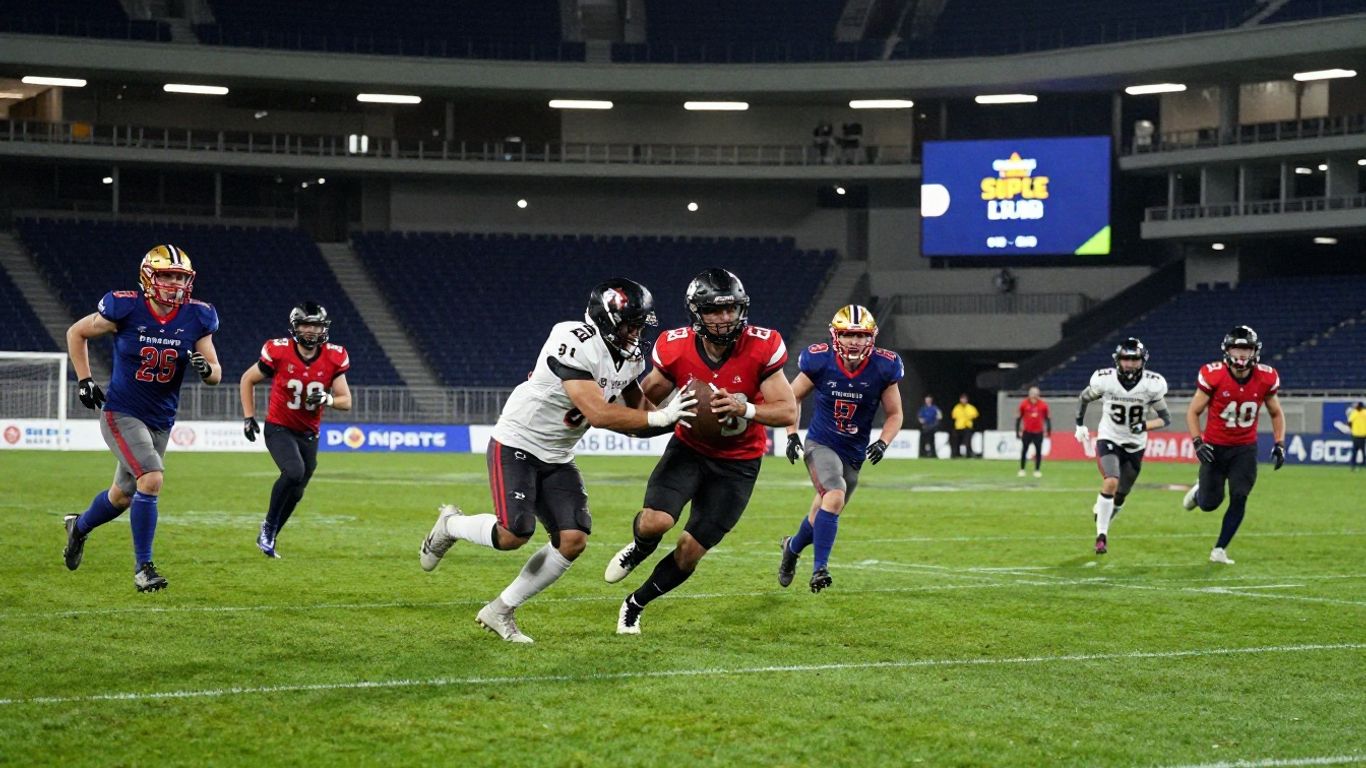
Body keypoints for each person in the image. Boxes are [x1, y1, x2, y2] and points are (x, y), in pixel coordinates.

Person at [417, 278, 694, 643]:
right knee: (514, 533)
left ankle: (500, 610)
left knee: (573, 538)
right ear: (607, 319)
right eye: (630, 323)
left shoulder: (629, 357)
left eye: (640, 324)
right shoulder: (572, 339)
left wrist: (685, 416)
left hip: (557, 454)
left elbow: (639, 414)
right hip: (517, 442)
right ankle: (450, 525)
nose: (636, 332)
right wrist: (662, 417)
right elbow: (597, 412)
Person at [603, 267, 796, 635]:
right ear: (696, 312)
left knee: (690, 552)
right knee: (654, 522)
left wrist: (746, 408)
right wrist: (632, 401)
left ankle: (635, 603)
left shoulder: (762, 345)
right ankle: (640, 548)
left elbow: (787, 410)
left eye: (731, 309)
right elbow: (645, 403)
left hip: (738, 464)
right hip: (689, 449)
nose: (725, 319)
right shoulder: (674, 347)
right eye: (714, 310)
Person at [62, 244, 222, 592]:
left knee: (122, 495)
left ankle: (79, 527)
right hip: (122, 411)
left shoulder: (199, 316)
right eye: (167, 275)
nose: (174, 284)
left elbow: (216, 375)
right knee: (151, 479)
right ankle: (143, 568)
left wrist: (205, 368)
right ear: (149, 276)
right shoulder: (125, 306)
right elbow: (77, 332)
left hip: (161, 418)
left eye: (180, 277)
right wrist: (85, 379)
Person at [780, 304, 903, 592]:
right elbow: (790, 398)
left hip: (853, 452)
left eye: (860, 336)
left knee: (819, 516)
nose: (854, 341)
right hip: (821, 442)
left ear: (871, 337)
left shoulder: (884, 367)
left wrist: (883, 442)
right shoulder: (820, 360)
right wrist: (791, 434)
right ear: (836, 335)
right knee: (834, 496)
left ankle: (791, 549)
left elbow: (895, 413)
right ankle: (820, 569)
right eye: (848, 334)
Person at [239, 301, 352, 558]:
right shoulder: (278, 351)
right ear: (295, 326)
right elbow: (248, 379)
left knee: (298, 490)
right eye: (305, 324)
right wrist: (248, 417)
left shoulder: (334, 357)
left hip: (309, 433)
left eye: (316, 325)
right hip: (279, 427)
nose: (311, 330)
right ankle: (268, 526)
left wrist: (328, 399)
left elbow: (346, 400)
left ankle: (270, 536)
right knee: (293, 471)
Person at [1181, 326, 1286, 565]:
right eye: (1237, 348)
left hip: (1244, 448)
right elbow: (1193, 411)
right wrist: (1198, 442)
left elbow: (1276, 413)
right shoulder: (1213, 374)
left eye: (1246, 348)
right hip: (1215, 447)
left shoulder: (1266, 377)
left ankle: (1219, 549)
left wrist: (1279, 443)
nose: (1241, 354)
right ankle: (1199, 493)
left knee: (1240, 496)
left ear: (1255, 351)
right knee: (1210, 504)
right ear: (1227, 350)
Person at [1073, 338, 1170, 555]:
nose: (1130, 364)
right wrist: (1079, 425)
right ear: (1118, 360)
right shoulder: (1105, 380)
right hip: (1109, 438)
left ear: (1142, 361)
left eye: (1134, 359)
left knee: (1121, 494)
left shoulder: (1152, 384)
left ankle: (1105, 513)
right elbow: (1084, 398)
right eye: (1126, 359)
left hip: (1135, 446)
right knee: (1111, 481)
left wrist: (1145, 425)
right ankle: (1101, 536)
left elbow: (1165, 418)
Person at [1016, 386, 1051, 477]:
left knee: (1038, 451)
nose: (1034, 396)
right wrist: (1017, 431)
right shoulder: (1024, 404)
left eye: (1036, 394)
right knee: (1024, 450)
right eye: (1032, 393)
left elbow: (1047, 419)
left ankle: (1037, 470)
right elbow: (1019, 418)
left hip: (1038, 432)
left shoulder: (1043, 405)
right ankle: (1022, 469)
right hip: (1027, 431)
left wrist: (1048, 430)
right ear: (1029, 394)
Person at [951, 393, 979, 458]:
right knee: (956, 441)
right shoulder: (957, 407)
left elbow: (975, 415)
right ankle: (956, 454)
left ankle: (968, 454)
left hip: (967, 426)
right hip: (958, 427)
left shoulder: (971, 407)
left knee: (967, 441)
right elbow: (953, 416)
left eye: (965, 399)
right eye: (962, 399)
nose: (963, 400)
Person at [1349, 401, 1366, 471]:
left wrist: (1352, 428)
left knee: (1362, 452)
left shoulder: (1362, 412)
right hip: (1356, 435)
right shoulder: (1355, 412)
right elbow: (1349, 422)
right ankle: (1353, 465)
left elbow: (1349, 422)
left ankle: (1361, 465)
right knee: (1355, 452)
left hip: (1362, 435)